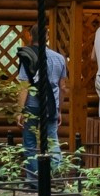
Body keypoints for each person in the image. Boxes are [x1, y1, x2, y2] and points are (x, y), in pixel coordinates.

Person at [15, 28, 67, 182]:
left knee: (30, 142)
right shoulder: (59, 58)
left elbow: (24, 86)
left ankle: (35, 180)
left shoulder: (27, 56)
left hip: (31, 105)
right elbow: (63, 87)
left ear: (30, 36)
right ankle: (57, 177)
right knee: (52, 141)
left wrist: (19, 111)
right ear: (47, 37)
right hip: (51, 105)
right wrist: (59, 109)